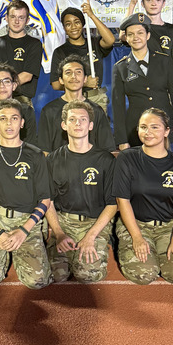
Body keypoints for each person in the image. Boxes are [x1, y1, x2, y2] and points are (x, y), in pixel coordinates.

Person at [0, 98, 52, 291]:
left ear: (22, 123)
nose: (9, 123)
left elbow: (45, 200)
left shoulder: (35, 155)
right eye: (3, 118)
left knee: (38, 282)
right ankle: (3, 258)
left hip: (26, 220)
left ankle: (18, 254)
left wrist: (24, 231)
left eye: (14, 118)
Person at [112, 108, 173, 285]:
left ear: (166, 131)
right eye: (143, 127)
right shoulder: (127, 158)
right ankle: (128, 245)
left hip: (168, 227)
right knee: (144, 274)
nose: (148, 132)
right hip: (137, 224)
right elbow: (122, 201)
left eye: (154, 127)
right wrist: (137, 237)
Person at [46, 101, 117, 284]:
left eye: (83, 119)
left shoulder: (106, 160)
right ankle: (68, 254)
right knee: (56, 276)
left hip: (93, 222)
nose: (77, 123)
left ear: (90, 125)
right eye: (72, 119)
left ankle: (94, 249)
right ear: (64, 125)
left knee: (87, 276)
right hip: (64, 222)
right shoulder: (53, 159)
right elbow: (48, 201)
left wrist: (91, 236)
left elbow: (112, 204)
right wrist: (59, 234)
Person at [112, 13, 173, 150]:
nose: (136, 37)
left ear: (148, 35)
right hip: (136, 131)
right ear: (126, 38)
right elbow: (118, 107)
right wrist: (122, 139)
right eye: (131, 34)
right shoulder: (120, 68)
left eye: (140, 33)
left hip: (165, 128)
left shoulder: (165, 61)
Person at [37, 55, 115, 154]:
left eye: (78, 72)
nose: (73, 76)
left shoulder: (96, 110)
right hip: (58, 163)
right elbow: (44, 150)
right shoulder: (49, 111)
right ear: (61, 80)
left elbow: (107, 149)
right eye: (68, 72)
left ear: (85, 79)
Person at [49, 3, 115, 110]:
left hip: (96, 98)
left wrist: (91, 15)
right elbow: (56, 85)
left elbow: (110, 40)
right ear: (64, 27)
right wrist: (83, 83)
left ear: (83, 24)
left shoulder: (94, 43)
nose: (73, 27)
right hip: (72, 99)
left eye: (77, 22)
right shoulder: (60, 52)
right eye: (68, 24)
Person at [0, 0, 43, 101]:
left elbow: (27, 76)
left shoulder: (34, 44)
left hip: (20, 99)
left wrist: (3, 87)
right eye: (13, 17)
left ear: (27, 20)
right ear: (6, 18)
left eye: (21, 18)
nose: (16, 21)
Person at [125, 0, 173, 74]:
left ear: (163, 4)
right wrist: (132, 3)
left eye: (158, 0)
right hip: (141, 79)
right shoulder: (139, 29)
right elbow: (122, 35)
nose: (153, 4)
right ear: (142, 4)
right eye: (149, 0)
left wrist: (152, 69)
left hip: (164, 80)